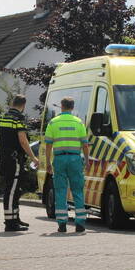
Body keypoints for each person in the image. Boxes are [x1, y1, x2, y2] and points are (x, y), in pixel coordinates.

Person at [44, 96, 91, 233]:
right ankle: (80, 223)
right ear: (73, 107)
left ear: (61, 106)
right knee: (77, 191)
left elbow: (48, 145)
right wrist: (87, 161)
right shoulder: (79, 122)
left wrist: (48, 162)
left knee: (60, 191)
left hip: (59, 159)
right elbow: (85, 145)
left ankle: (62, 224)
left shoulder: (53, 122)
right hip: (75, 159)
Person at [0, 94, 40, 231]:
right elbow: (22, 140)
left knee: (14, 190)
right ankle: (10, 223)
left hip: (4, 157)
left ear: (12, 103)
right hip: (14, 159)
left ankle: (15, 218)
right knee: (12, 191)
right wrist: (33, 157)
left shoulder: (3, 117)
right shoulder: (18, 118)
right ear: (23, 105)